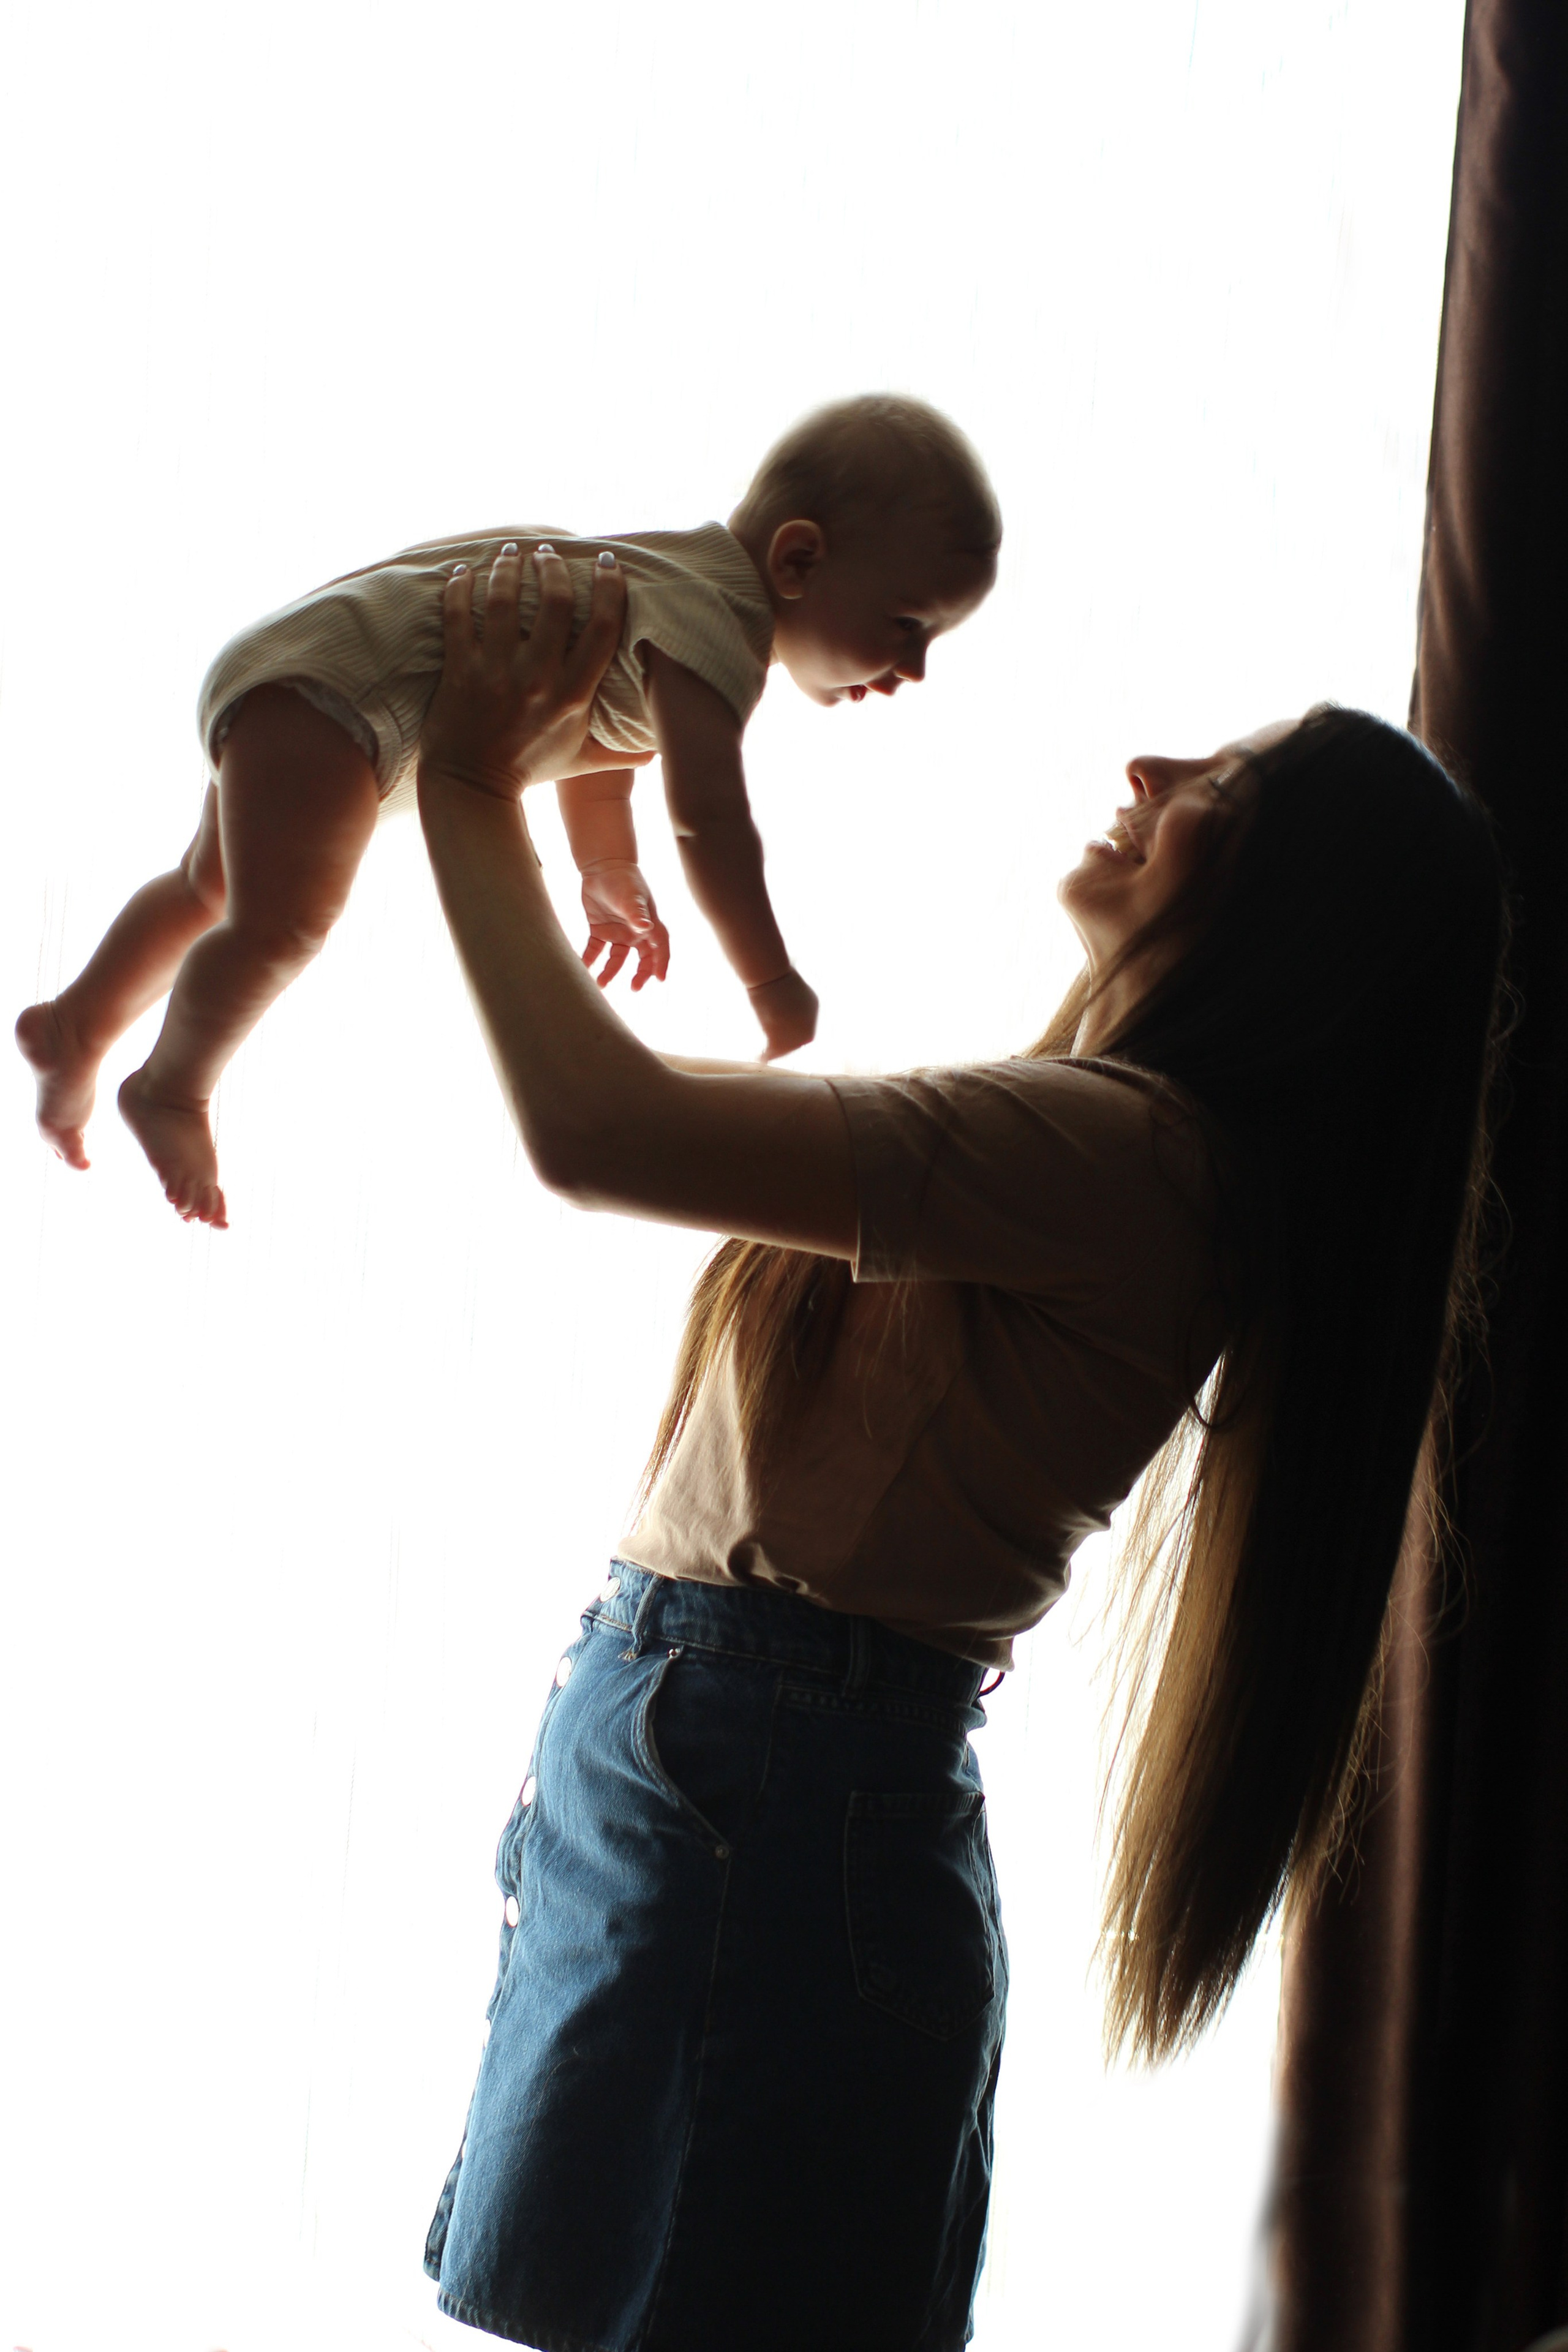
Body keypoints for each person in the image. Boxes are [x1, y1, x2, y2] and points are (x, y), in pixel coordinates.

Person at [413, 549, 1502, 2352]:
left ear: (1294, 916)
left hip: (756, 1805)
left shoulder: (1128, 1156)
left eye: (1221, 785)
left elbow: (590, 1130)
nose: (1152, 771)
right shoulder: (1120, 1146)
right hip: (722, 1784)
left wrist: (464, 781)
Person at [13, 396, 998, 1227]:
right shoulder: (721, 639)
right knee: (283, 924)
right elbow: (711, 819)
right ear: (797, 563)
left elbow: (596, 740)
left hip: (302, 668)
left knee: (210, 886)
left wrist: (604, 868)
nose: (912, 667)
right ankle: (172, 1087)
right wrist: (770, 977)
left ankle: (79, 1026)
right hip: (341, 702)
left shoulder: (673, 579)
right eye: (909, 625)